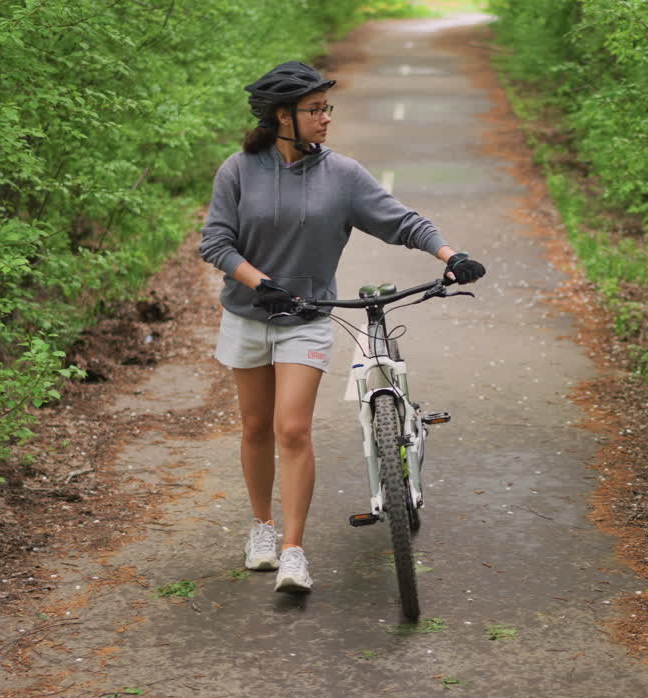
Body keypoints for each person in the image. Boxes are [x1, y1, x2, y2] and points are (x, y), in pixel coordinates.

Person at [199, 61, 486, 593]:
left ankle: (292, 551)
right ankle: (261, 528)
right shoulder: (238, 170)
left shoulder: (343, 174)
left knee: (292, 428)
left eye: (326, 107)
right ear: (281, 117)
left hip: (305, 319)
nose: (326, 117)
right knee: (256, 427)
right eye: (315, 109)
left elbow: (402, 221)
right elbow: (215, 243)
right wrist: (262, 284)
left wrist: (451, 254)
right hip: (247, 314)